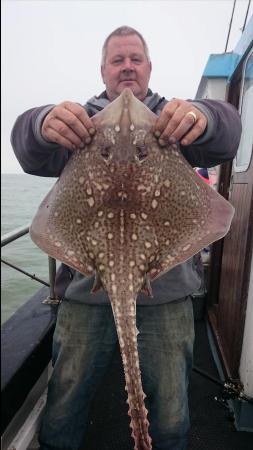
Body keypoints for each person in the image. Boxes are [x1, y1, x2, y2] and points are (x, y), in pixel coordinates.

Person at [11, 26, 241, 450]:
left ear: (149, 67)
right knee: (64, 408)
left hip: (167, 292)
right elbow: (27, 148)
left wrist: (205, 118)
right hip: (84, 292)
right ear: (103, 70)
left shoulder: (172, 121)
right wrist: (42, 122)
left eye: (135, 58)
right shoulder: (80, 124)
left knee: (171, 414)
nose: (128, 66)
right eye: (118, 60)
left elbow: (227, 132)